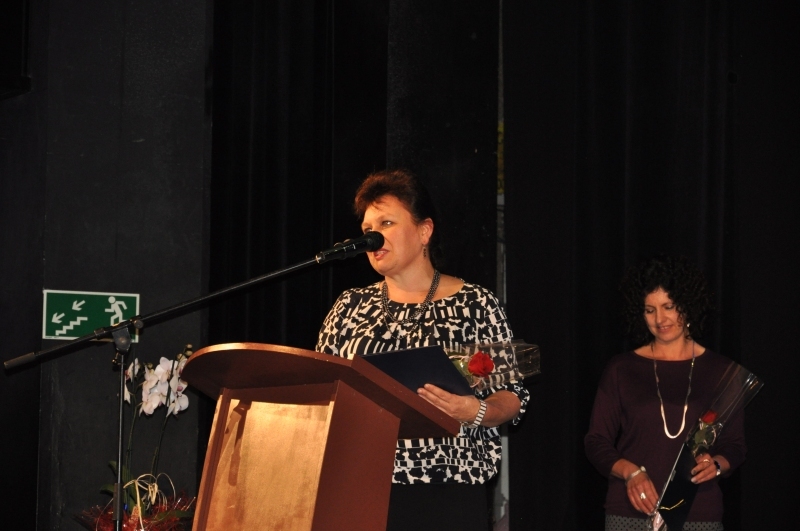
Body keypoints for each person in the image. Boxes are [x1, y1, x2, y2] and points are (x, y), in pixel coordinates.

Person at [316, 169, 530, 531]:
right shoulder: (349, 307)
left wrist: (475, 411)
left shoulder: (476, 304)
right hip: (361, 483)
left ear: (424, 231)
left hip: (448, 491)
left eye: (386, 222)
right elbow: (325, 392)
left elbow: (512, 395)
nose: (372, 236)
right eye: (367, 227)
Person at [585, 255, 746, 530]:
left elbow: (735, 445)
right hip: (631, 512)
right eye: (649, 310)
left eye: (668, 307)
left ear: (688, 304)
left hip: (698, 512)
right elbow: (596, 441)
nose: (659, 319)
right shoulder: (621, 369)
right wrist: (631, 473)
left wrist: (717, 464)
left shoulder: (722, 371)